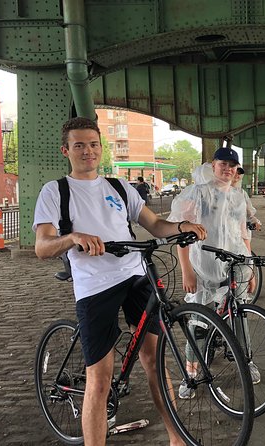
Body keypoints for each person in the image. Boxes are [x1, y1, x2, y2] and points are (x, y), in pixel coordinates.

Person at [33, 117, 207, 446]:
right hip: (94, 285)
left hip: (134, 274)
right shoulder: (55, 192)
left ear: (101, 148)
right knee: (100, 379)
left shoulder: (118, 187)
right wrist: (72, 238)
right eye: (80, 145)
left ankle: (176, 439)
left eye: (94, 144)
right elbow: (42, 246)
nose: (88, 151)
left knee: (154, 361)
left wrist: (182, 226)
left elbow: (155, 225)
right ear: (66, 150)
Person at [169, 148, 258, 392]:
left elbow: (242, 234)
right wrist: (186, 269)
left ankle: (246, 360)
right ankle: (191, 372)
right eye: (223, 163)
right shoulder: (197, 194)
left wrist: (250, 269)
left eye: (232, 165)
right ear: (213, 165)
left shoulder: (238, 197)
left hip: (235, 263)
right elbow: (182, 234)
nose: (228, 169)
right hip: (204, 267)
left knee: (240, 316)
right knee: (199, 320)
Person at [231, 166, 262, 232]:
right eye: (235, 172)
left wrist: (254, 220)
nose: (237, 175)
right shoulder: (218, 191)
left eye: (239, 173)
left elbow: (248, 211)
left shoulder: (242, 193)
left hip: (239, 231)